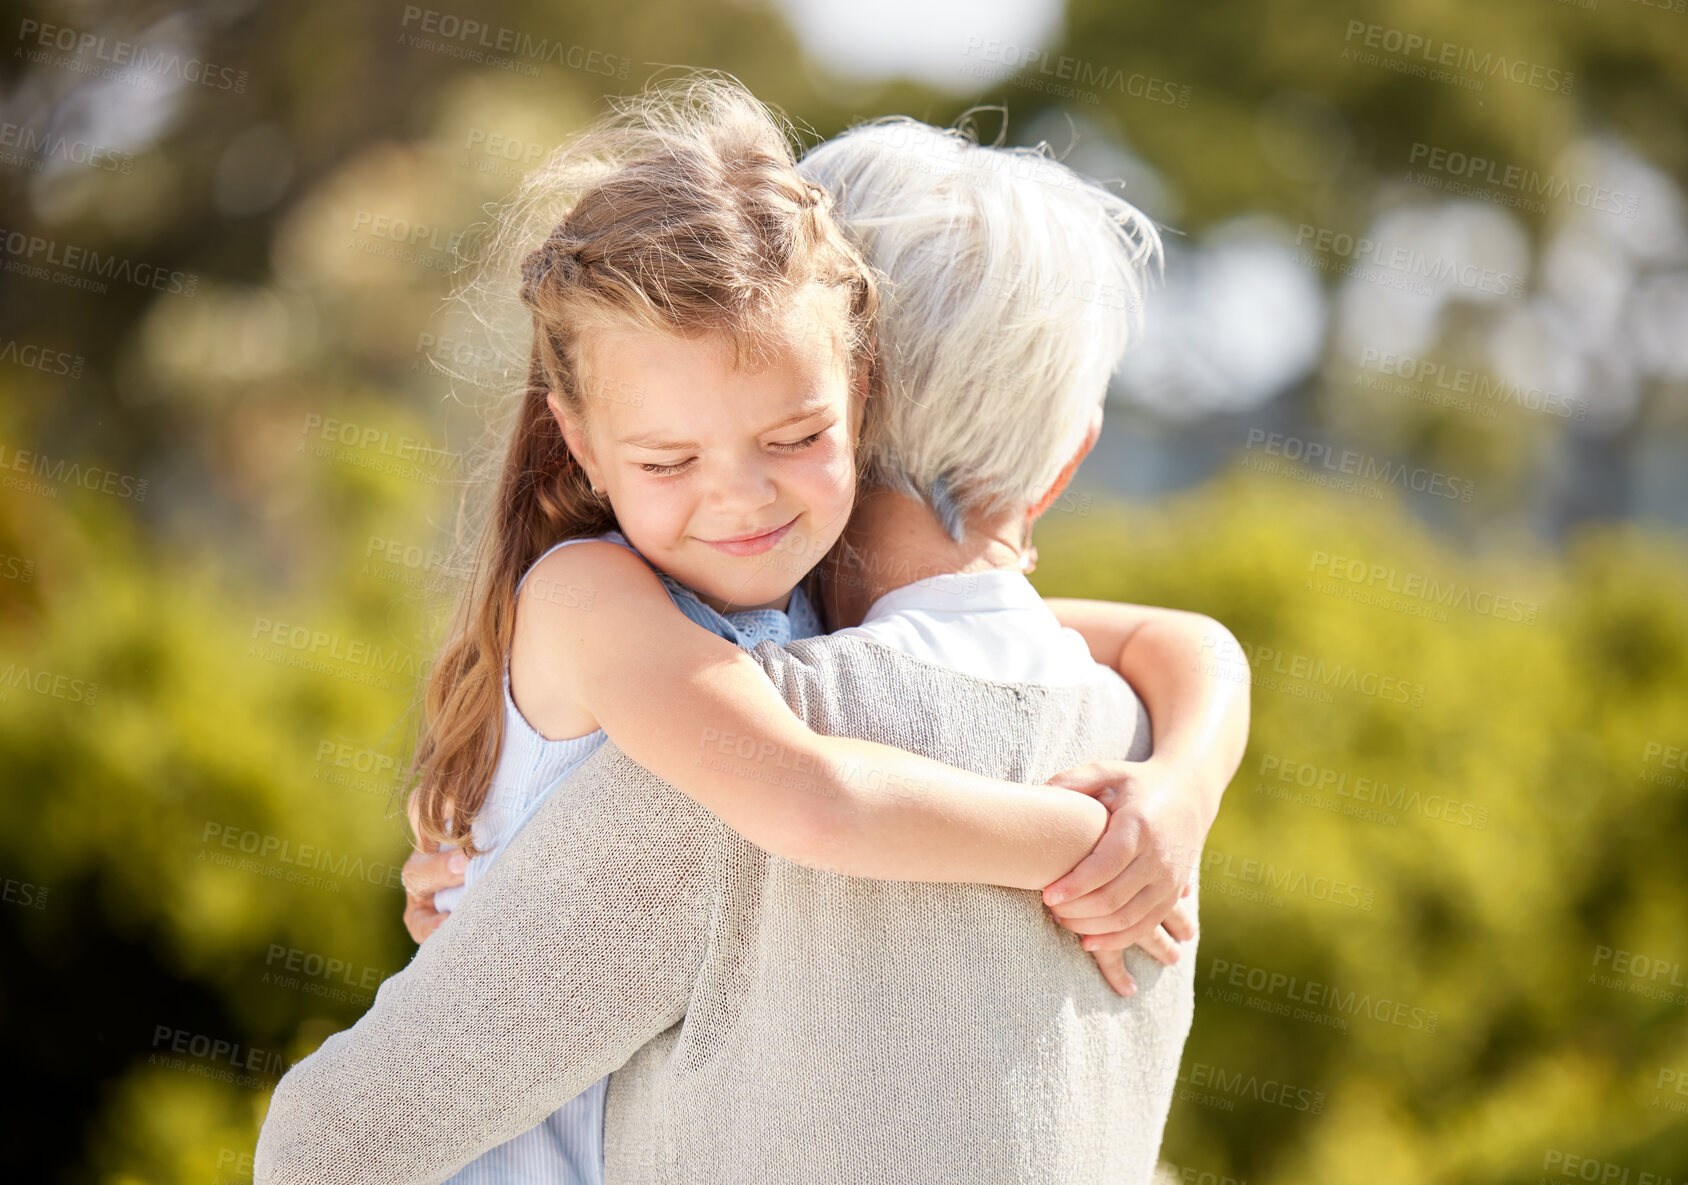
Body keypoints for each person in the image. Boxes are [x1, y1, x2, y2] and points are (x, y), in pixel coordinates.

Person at [254, 88, 1247, 1185]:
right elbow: (823, 794)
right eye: (669, 460)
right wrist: (1127, 825)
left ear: (854, 391)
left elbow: (1172, 634)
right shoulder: (1115, 743)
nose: (735, 497)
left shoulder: (777, 682)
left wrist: (1175, 795)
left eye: (790, 435)